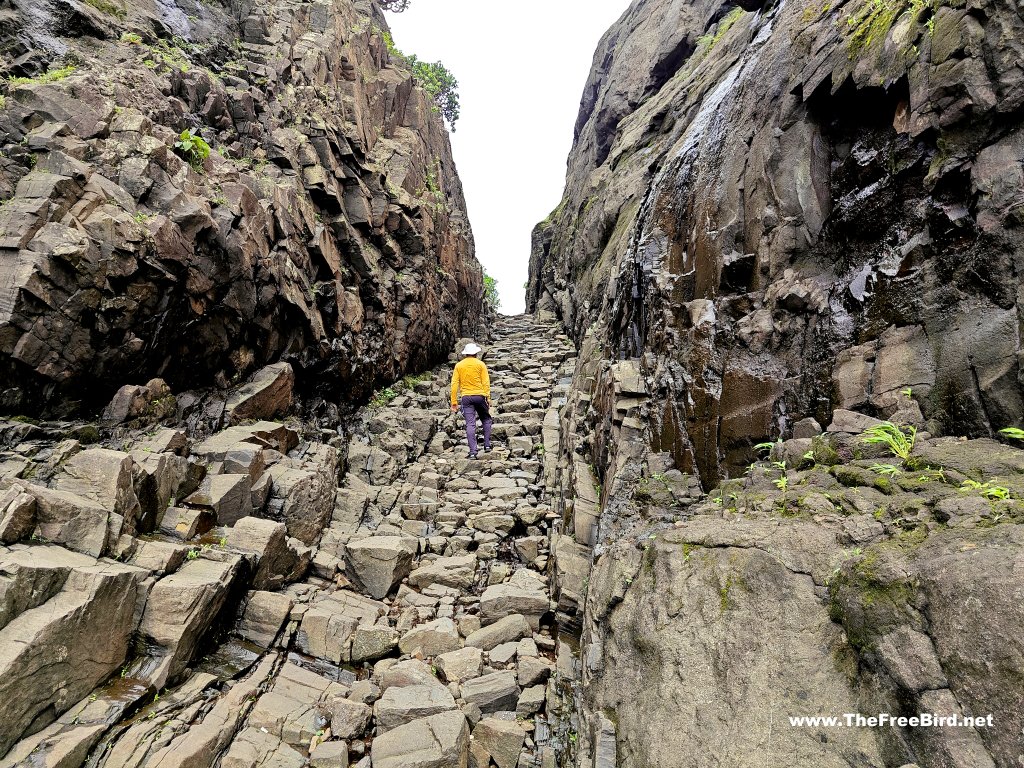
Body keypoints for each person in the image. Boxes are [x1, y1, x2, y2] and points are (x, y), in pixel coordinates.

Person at [450, 342, 492, 458]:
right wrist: (488, 397)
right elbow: (485, 383)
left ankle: (473, 452)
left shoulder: (459, 366)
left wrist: (454, 402)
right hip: (480, 396)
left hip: (466, 398)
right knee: (486, 419)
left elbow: (454, 384)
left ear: (465, 354)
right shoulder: (481, 364)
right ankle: (487, 445)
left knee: (470, 424)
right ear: (476, 353)